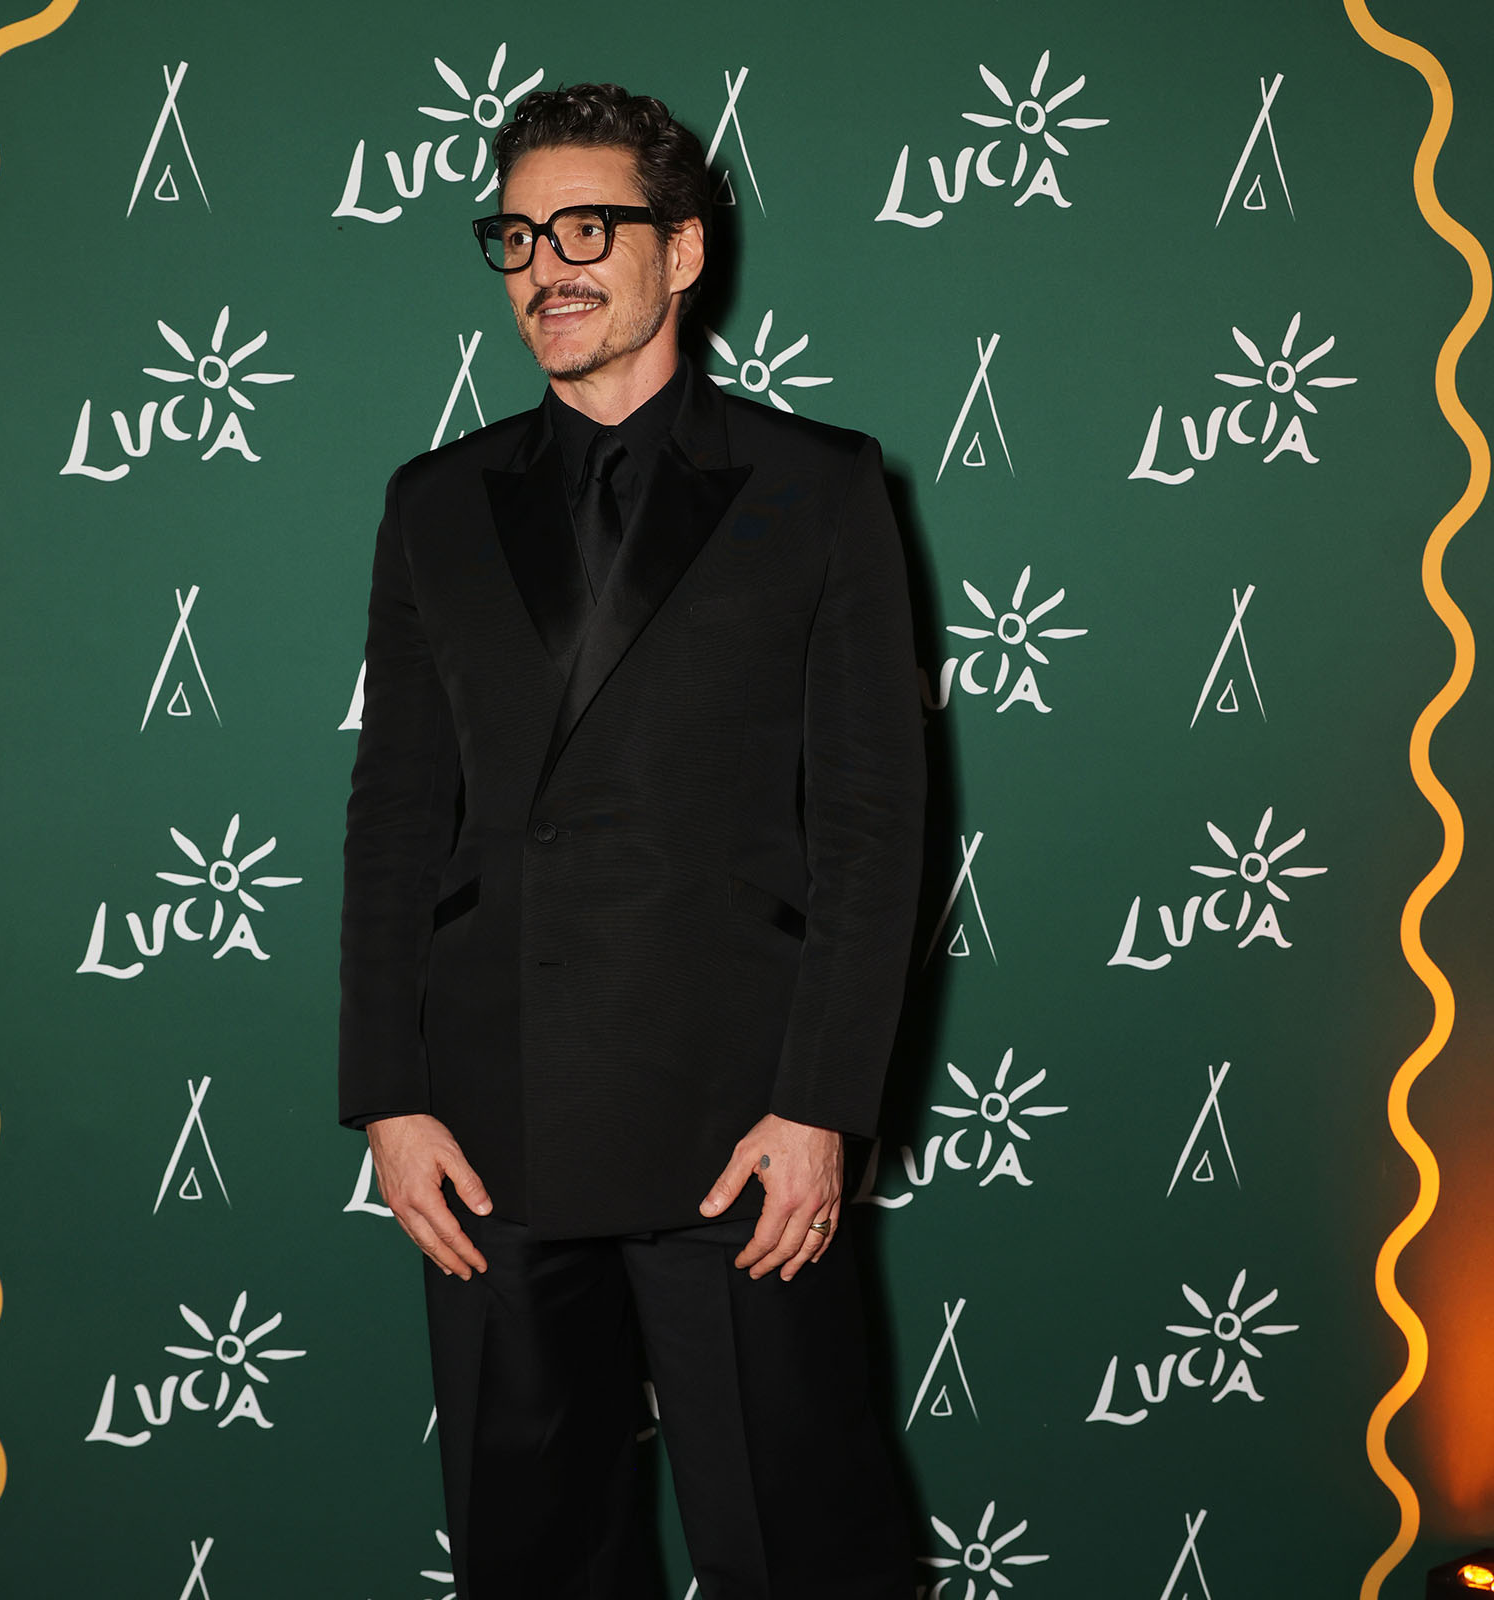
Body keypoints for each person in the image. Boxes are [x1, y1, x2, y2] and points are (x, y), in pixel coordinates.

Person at [340, 81, 925, 1598]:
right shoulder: (433, 503)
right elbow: (396, 816)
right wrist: (391, 1097)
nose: (548, 264)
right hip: (490, 1135)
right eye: (519, 235)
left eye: (589, 226)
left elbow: (874, 821)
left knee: (800, 1545)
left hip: (742, 1137)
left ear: (684, 249)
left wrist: (822, 1107)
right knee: (529, 1554)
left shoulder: (820, 487)